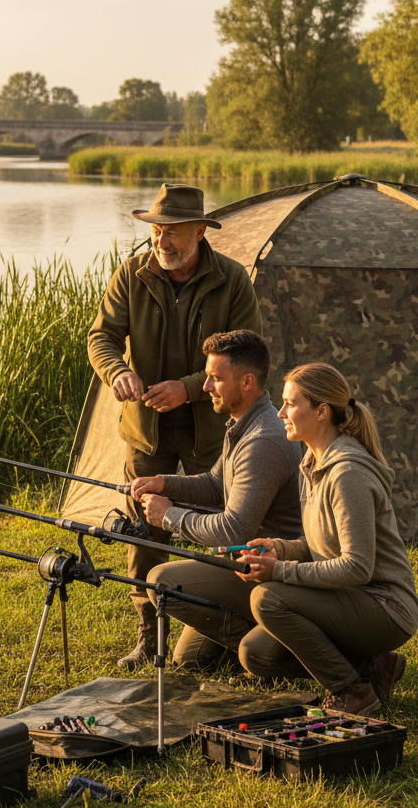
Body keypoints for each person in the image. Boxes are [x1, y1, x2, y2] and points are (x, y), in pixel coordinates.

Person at [147, 362, 418, 715]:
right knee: (256, 654)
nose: (280, 412)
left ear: (321, 412)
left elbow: (357, 567)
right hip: (344, 595)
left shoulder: (346, 473)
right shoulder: (313, 461)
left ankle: (353, 688)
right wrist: (282, 548)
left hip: (382, 607)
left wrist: (279, 570)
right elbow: (323, 542)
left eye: (291, 404)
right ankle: (370, 665)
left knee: (267, 598)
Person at [88, 183, 261, 670]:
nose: (162, 241)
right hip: (146, 430)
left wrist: (188, 387)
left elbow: (247, 350)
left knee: (228, 527)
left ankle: (231, 627)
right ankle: (149, 636)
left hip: (214, 428)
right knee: (145, 534)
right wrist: (117, 371)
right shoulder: (133, 273)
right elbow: (101, 336)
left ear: (201, 231)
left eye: (174, 232)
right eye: (157, 230)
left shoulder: (232, 280)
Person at [130, 329, 303, 671]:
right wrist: (166, 483)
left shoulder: (262, 441)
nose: (206, 387)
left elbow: (233, 529)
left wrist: (169, 517)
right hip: (248, 563)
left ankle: (284, 647)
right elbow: (214, 484)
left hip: (274, 572)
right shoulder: (244, 422)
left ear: (247, 382)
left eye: (215, 379)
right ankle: (259, 638)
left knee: (160, 580)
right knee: (189, 659)